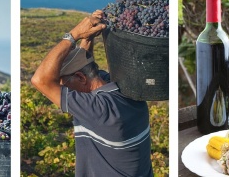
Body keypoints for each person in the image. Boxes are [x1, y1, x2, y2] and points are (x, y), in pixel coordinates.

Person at [31, 10, 153, 177]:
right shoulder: (124, 90)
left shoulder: (99, 110)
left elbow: (40, 81)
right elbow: (86, 62)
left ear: (80, 77)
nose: (63, 89)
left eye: (63, 84)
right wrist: (88, 37)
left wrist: (73, 35)